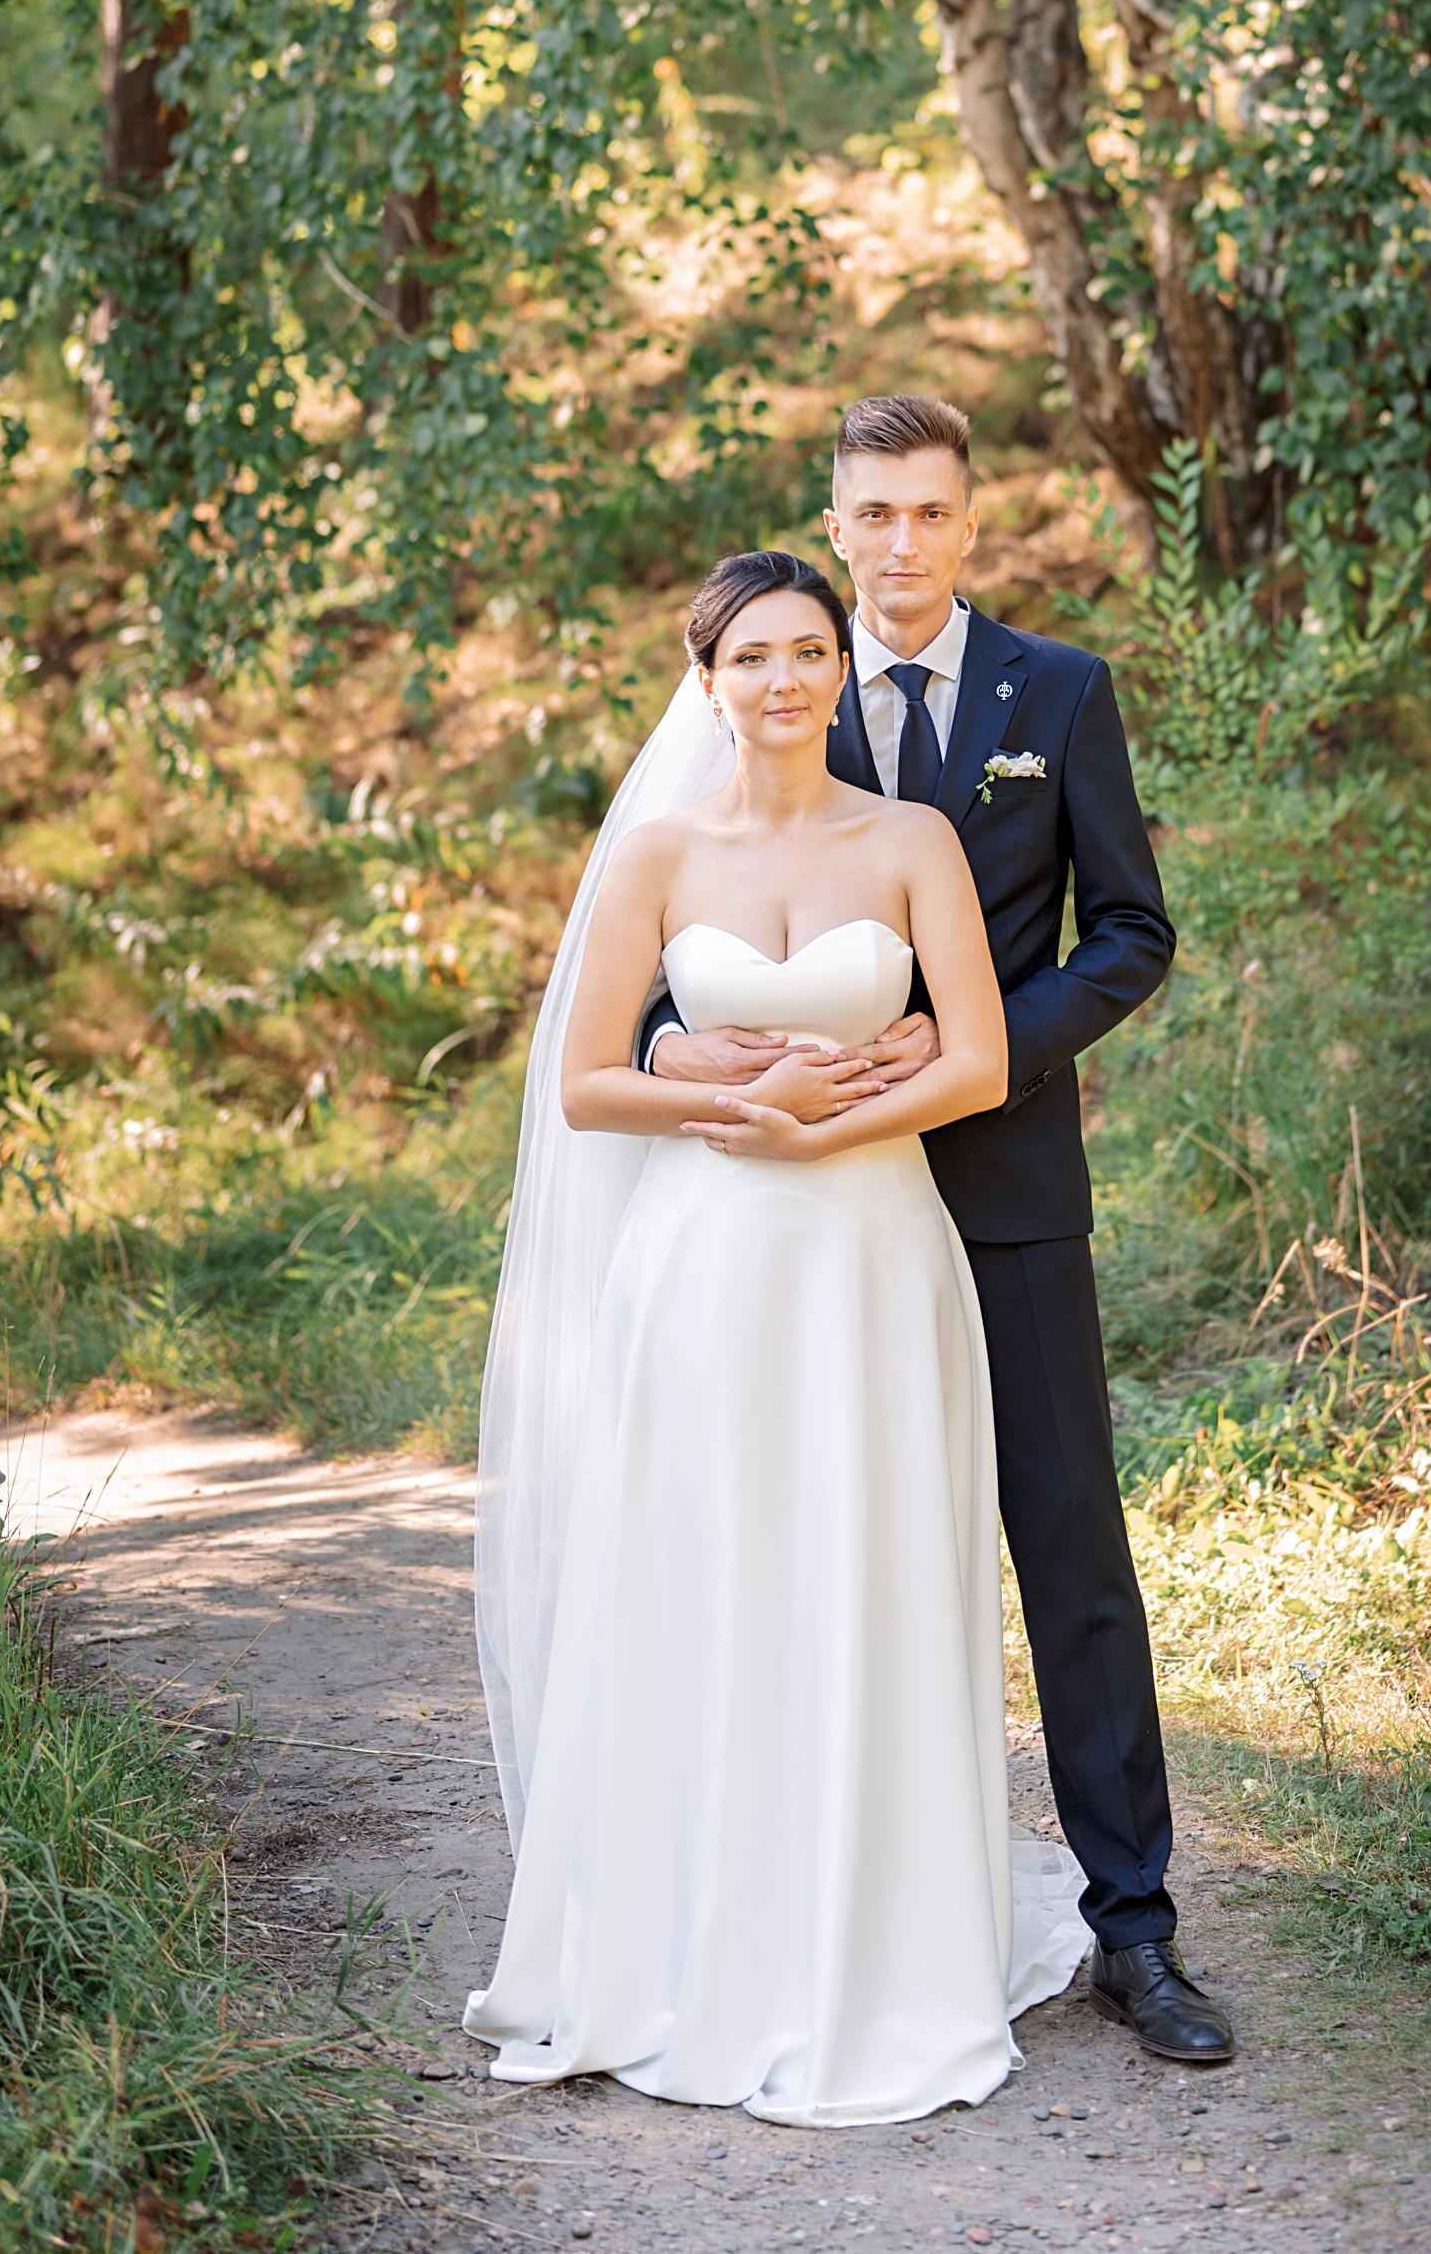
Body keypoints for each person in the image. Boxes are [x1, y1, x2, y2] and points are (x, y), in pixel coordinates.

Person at [640, 393, 1235, 2068]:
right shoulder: (774, 694)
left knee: (1069, 1555)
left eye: (930, 512)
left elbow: (1129, 929)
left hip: (1005, 1191)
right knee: (819, 1566)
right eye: (871, 514)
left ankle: (1136, 1933)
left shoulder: (1058, 696)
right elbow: (645, 965)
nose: (900, 543)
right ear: (832, 525)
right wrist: (679, 1053)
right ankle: (817, 1922)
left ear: (970, 524)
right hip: (805, 1218)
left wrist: (984, 1049)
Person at [468, 546, 1093, 2124]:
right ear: (707, 680)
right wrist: (730, 1094)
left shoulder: (912, 840)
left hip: (875, 1251)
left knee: (865, 1570)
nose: (783, 679)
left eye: (807, 651)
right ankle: (693, 1938)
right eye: (751, 656)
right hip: (704, 1264)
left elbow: (969, 1056)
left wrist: (826, 1131)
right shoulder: (659, 856)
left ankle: (872, 1946)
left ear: (837, 670)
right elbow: (590, 1083)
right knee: (707, 1572)